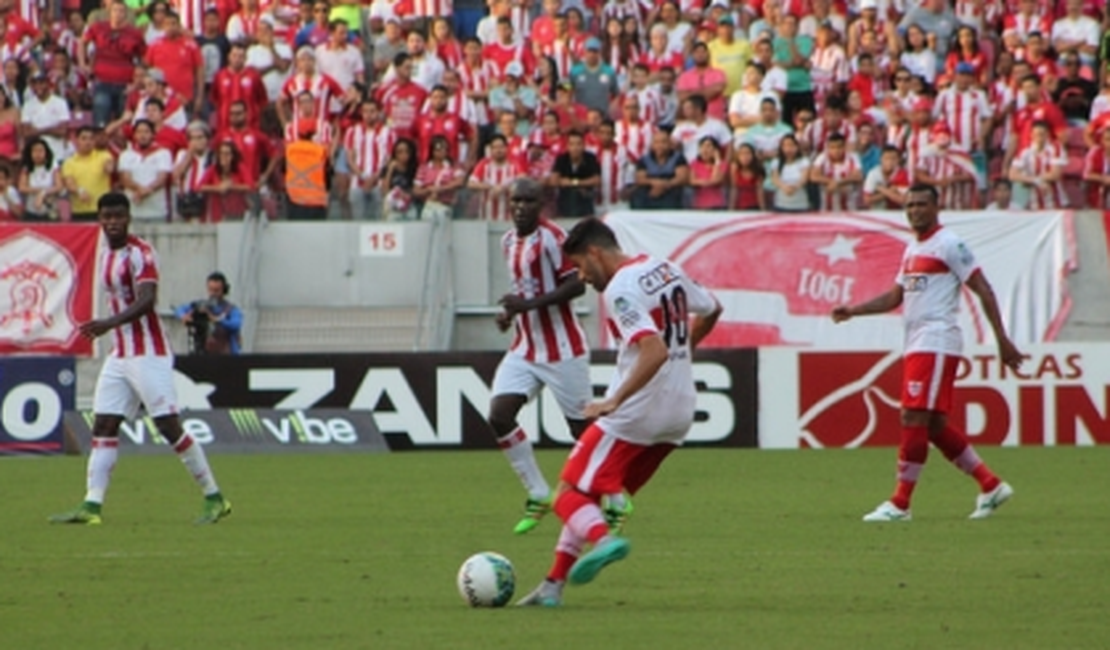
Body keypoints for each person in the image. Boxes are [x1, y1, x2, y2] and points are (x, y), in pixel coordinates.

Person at [516, 216, 722, 607]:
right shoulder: (665, 268)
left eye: (579, 266)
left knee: (565, 494)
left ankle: (605, 541)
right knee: (586, 498)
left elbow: (654, 349)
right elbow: (713, 308)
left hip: (637, 413)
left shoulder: (622, 288)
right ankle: (552, 587)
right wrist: (687, 350)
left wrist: (614, 400)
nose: (582, 277)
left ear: (595, 252)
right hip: (679, 413)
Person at [831, 184, 1019, 523]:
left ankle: (900, 504)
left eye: (921, 204)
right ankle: (990, 485)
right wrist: (853, 310)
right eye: (909, 205)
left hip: (937, 339)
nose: (914, 210)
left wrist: (1002, 340)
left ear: (936, 206)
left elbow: (983, 288)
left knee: (912, 418)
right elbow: (893, 298)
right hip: (917, 341)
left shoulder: (949, 244)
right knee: (932, 424)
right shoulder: (911, 249)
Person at [49, 192, 232, 526]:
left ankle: (215, 497)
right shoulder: (104, 255)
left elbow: (147, 300)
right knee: (104, 424)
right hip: (120, 354)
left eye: (118, 216)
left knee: (167, 425)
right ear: (100, 218)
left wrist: (107, 323)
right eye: (106, 216)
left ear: (128, 217)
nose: (112, 222)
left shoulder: (142, 254)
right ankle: (92, 505)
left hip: (149, 352)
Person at [484, 177, 607, 536]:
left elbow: (576, 283)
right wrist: (511, 314)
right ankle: (538, 492)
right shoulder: (508, 242)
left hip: (563, 349)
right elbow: (526, 290)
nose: (521, 207)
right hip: (525, 347)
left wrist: (528, 305)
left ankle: (614, 494)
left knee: (581, 429)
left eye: (528, 201)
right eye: (515, 201)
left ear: (542, 205)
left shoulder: (555, 239)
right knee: (499, 414)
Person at [174, 270, 243, 354]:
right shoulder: (202, 305)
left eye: (217, 290)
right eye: (210, 290)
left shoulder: (231, 309)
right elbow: (180, 309)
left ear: (224, 290)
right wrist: (183, 316)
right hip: (205, 354)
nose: (213, 294)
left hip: (227, 356)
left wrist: (216, 319)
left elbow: (236, 324)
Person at [118, 119, 173, 222]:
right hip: (133, 210)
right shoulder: (126, 154)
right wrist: (141, 190)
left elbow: (162, 179)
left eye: (146, 132)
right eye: (139, 132)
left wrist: (142, 193)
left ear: (153, 134)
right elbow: (125, 179)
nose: (142, 135)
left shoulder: (163, 153)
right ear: (134, 135)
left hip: (157, 210)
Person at [62, 126, 116, 221]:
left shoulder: (104, 155)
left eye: (91, 138)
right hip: (79, 211)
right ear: (76, 140)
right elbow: (69, 183)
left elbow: (109, 167)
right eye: (84, 138)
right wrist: (80, 191)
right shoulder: (69, 162)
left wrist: (109, 167)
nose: (88, 142)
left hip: (102, 209)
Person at [551, 131, 600, 218]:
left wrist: (574, 183)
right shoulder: (561, 159)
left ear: (583, 145)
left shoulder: (591, 158)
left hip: (585, 202)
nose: (575, 148)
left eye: (578, 144)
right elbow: (554, 181)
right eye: (572, 144)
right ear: (567, 146)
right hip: (565, 203)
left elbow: (596, 180)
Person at [18, 136, 60, 220]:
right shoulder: (26, 168)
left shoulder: (53, 166)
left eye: (40, 151)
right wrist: (39, 191)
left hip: (49, 207)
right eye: (34, 151)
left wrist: (43, 193)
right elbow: (22, 187)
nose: (38, 154)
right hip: (31, 209)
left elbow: (59, 186)